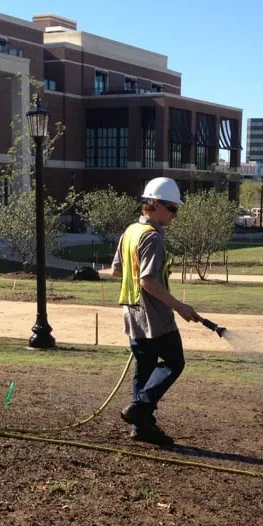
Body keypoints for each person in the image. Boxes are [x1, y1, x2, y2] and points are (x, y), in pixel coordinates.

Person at [111, 177, 200, 446]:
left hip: (132, 312)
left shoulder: (130, 232)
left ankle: (142, 427)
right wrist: (180, 306)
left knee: (146, 368)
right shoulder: (152, 238)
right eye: (172, 208)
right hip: (154, 315)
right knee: (174, 362)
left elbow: (116, 270)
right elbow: (147, 281)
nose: (175, 214)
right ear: (155, 204)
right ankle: (140, 408)